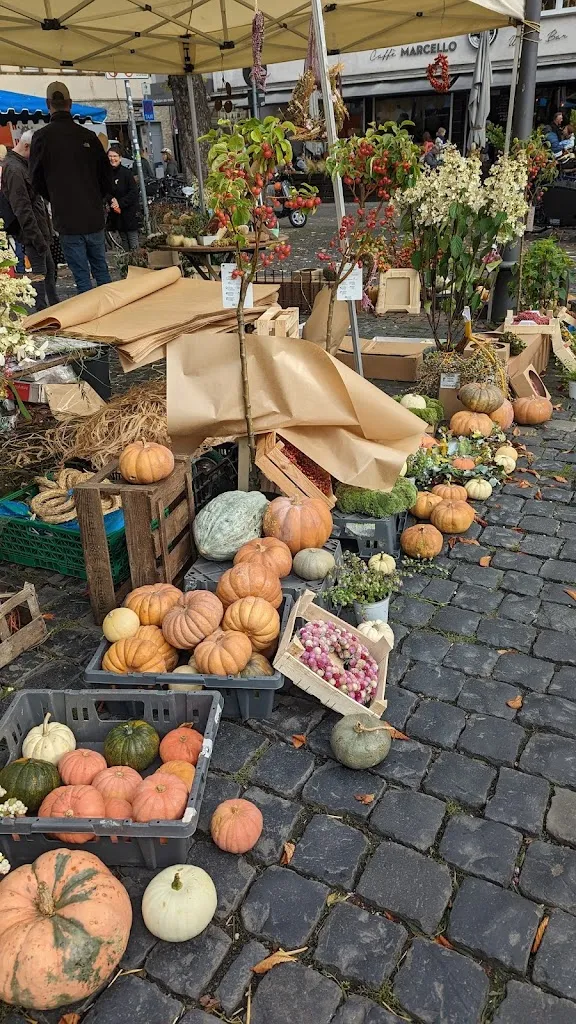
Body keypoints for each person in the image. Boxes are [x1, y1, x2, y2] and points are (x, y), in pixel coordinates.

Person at [29, 81, 114, 294]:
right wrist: (97, 199)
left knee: (82, 278)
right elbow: (106, 176)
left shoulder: (42, 138)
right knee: (102, 271)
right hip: (93, 216)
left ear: (48, 104)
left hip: (67, 218)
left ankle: (90, 314)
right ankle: (113, 311)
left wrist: (55, 197)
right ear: (70, 103)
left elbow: (35, 180)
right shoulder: (88, 136)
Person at [1, 131, 58, 311]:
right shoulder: (14, 169)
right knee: (40, 274)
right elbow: (22, 208)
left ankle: (54, 307)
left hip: (38, 230)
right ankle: (43, 311)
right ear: (26, 147)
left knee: (48, 271)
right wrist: (37, 238)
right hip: (32, 232)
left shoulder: (21, 165)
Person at [107, 148, 140, 251]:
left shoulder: (126, 173)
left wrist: (120, 203)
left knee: (133, 240)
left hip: (129, 212)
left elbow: (133, 192)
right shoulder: (106, 174)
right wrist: (111, 199)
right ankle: (127, 260)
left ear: (120, 158)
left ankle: (136, 259)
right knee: (124, 240)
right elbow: (105, 191)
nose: (112, 158)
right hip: (117, 214)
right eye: (110, 156)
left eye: (115, 156)